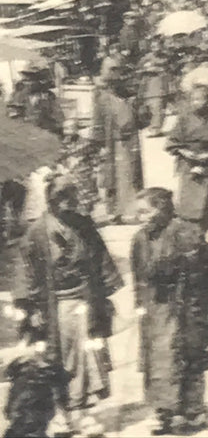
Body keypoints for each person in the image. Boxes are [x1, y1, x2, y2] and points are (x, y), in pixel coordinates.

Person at [13, 175, 123, 438]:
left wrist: (103, 296)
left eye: (70, 200)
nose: (66, 206)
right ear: (50, 201)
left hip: (84, 301)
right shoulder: (37, 232)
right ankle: (62, 416)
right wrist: (31, 310)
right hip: (53, 306)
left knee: (88, 359)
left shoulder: (83, 225)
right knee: (57, 361)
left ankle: (84, 414)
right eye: (60, 201)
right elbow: (25, 272)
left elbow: (99, 259)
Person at [131, 187, 208, 435]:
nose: (139, 217)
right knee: (160, 360)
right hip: (157, 308)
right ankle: (163, 412)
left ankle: (192, 410)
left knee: (190, 355)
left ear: (161, 208)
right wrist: (140, 306)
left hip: (187, 306)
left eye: (145, 211)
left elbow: (205, 272)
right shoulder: (141, 238)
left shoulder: (188, 232)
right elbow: (139, 276)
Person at [165, 84, 208, 233]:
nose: (196, 103)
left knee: (205, 202)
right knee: (186, 202)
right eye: (193, 99)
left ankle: (201, 235)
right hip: (188, 164)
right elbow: (172, 141)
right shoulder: (184, 119)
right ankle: (185, 234)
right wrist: (184, 151)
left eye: (200, 99)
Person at [89, 60, 145, 224]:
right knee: (111, 176)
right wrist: (98, 143)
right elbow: (97, 119)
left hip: (129, 141)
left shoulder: (130, 95)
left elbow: (142, 120)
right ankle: (113, 211)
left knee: (130, 174)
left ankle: (133, 210)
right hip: (110, 142)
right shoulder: (101, 96)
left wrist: (137, 107)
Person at [137, 52, 176, 138]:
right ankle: (154, 129)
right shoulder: (146, 75)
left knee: (157, 111)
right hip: (153, 93)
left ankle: (155, 129)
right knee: (155, 112)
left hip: (158, 92)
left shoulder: (163, 71)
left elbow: (169, 76)